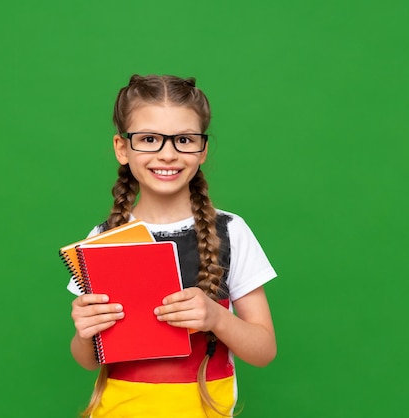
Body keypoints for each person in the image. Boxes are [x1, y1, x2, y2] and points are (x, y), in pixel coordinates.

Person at [68, 74, 278, 418]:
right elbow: (87, 360)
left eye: (184, 139)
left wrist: (216, 318)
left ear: (203, 149)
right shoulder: (102, 239)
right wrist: (84, 332)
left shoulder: (231, 231)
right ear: (122, 148)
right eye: (149, 139)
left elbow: (264, 350)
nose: (167, 154)